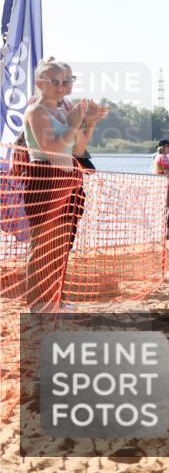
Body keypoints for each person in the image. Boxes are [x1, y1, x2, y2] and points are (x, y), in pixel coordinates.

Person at [22, 61, 88, 312]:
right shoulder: (36, 111)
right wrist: (73, 124)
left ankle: (55, 299)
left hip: (69, 178)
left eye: (67, 81)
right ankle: (38, 304)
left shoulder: (66, 109)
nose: (63, 86)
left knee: (62, 244)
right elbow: (50, 150)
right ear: (40, 84)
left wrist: (85, 123)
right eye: (56, 81)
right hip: (45, 179)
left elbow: (78, 149)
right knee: (42, 244)